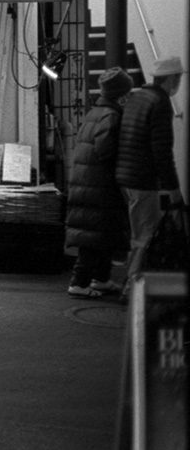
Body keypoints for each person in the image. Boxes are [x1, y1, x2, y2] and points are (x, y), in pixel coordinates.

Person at [116, 54, 185, 300]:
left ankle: (128, 279)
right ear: (172, 79)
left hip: (125, 176)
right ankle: (131, 291)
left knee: (139, 235)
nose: (179, 84)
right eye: (178, 78)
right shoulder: (160, 102)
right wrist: (174, 189)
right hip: (142, 179)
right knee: (146, 238)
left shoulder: (137, 97)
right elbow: (161, 151)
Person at [64, 67, 133, 299]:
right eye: (128, 92)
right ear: (121, 94)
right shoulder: (112, 116)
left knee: (103, 234)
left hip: (88, 182)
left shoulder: (95, 112)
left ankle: (101, 279)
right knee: (93, 238)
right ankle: (79, 282)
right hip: (99, 184)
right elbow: (105, 151)